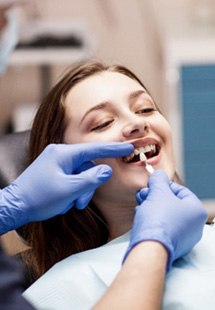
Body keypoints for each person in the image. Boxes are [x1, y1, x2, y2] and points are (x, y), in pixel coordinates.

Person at [17, 61, 211, 309]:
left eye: (145, 109)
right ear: (69, 166)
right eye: (103, 123)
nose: (138, 124)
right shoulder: (56, 291)